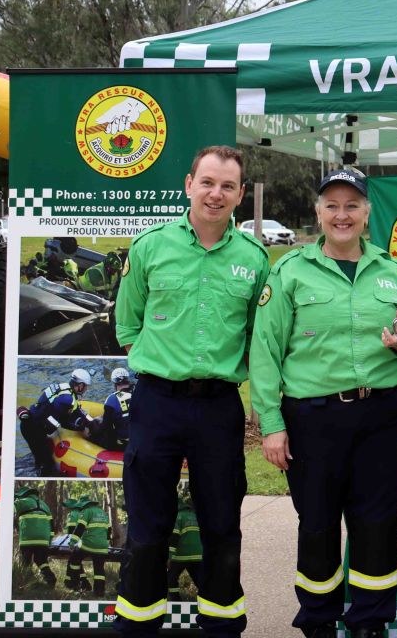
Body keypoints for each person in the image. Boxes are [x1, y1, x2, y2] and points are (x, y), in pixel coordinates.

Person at [250, 168, 397, 638]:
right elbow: (264, 351)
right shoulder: (288, 272)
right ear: (318, 212)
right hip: (314, 419)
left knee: (377, 523)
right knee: (319, 524)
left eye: (352, 206)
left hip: (381, 414)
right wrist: (271, 423)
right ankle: (319, 621)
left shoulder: (392, 270)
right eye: (332, 206)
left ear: (367, 213)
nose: (342, 215)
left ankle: (369, 622)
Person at [113, 145, 269, 636]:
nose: (216, 194)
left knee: (222, 526)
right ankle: (138, 627)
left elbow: (257, 337)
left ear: (240, 194)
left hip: (218, 408)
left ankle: (222, 627)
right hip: (156, 403)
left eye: (227, 186)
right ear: (188, 184)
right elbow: (128, 326)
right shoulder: (150, 247)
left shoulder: (255, 259)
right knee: (146, 527)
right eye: (207, 182)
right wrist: (164, 366)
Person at [18, 368, 94, 475]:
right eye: (85, 387)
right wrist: (82, 428)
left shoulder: (63, 387)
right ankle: (41, 471)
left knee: (38, 455)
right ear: (80, 386)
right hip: (34, 430)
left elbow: (76, 410)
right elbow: (64, 422)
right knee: (48, 463)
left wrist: (90, 421)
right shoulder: (67, 400)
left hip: (29, 423)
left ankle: (38, 465)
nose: (86, 389)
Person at [70, 493, 113, 596]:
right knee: (99, 569)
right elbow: (109, 530)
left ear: (84, 505)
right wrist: (106, 543)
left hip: (89, 545)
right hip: (102, 547)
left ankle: (76, 585)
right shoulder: (103, 513)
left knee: (74, 559)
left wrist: (72, 542)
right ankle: (99, 592)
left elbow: (80, 528)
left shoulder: (87, 511)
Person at [14, 484, 56, 587]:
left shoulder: (22, 502)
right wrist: (49, 539)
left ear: (24, 495)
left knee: (25, 561)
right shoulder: (44, 504)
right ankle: (50, 578)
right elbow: (52, 524)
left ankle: (24, 582)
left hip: (27, 538)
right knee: (41, 560)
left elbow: (10, 509)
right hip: (43, 539)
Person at [167, 493, 202, 599]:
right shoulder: (196, 516)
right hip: (198, 555)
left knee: (171, 579)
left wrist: (170, 557)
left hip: (180, 556)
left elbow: (174, 538)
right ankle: (205, 601)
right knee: (200, 581)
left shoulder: (178, 517)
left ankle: (175, 601)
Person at [90, 368, 133, 450]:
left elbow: (107, 427)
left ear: (115, 384)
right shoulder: (138, 392)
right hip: (142, 439)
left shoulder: (112, 399)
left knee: (95, 430)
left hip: (125, 444)